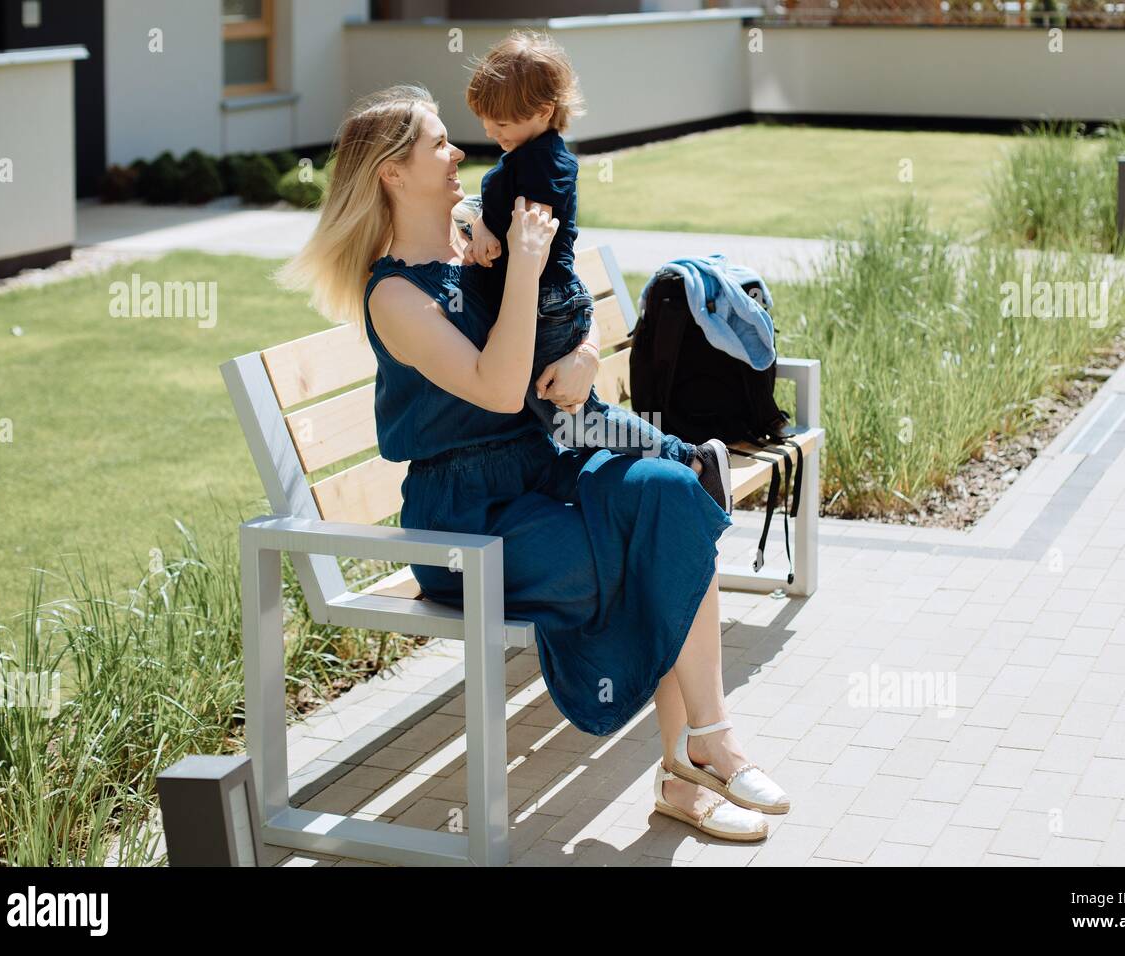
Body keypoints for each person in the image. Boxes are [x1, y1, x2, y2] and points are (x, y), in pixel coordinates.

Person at [276, 85, 790, 843]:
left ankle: (705, 745)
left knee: (669, 495)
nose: (458, 154)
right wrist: (521, 265)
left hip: (540, 468)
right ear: (391, 172)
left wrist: (583, 354)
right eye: (438, 144)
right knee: (624, 553)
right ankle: (691, 770)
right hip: (462, 522)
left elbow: (554, 339)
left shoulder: (468, 242)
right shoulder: (394, 295)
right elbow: (494, 386)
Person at [462, 30, 732, 510]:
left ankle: (691, 461)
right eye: (484, 120)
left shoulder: (546, 164)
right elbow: (504, 210)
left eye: (501, 121)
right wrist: (482, 221)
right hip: (540, 302)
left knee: (577, 417)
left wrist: (492, 235)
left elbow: (532, 234)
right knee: (561, 417)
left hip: (543, 306)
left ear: (543, 111)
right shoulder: (525, 157)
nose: (489, 131)